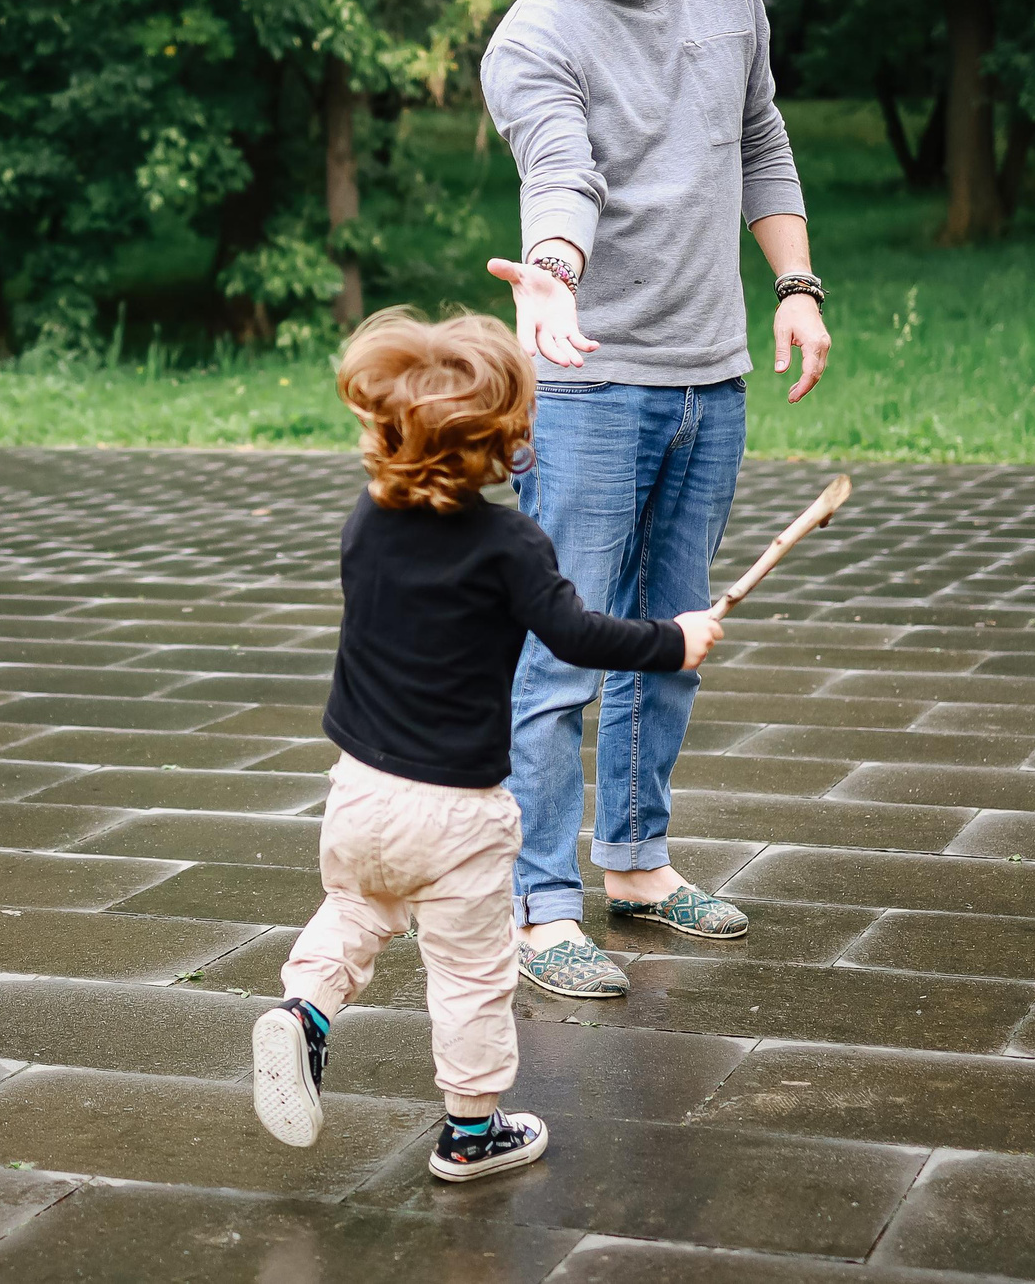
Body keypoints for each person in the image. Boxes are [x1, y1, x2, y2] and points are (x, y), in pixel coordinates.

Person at [480, 0, 833, 1000]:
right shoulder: (533, 38)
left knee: (672, 638)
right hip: (583, 385)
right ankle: (535, 908)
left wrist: (796, 287)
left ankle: (633, 865)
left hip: (708, 378)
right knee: (563, 652)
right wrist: (554, 273)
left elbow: (760, 140)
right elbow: (560, 169)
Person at [251, 309, 724, 1182]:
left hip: (357, 790)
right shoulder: (510, 544)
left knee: (355, 911)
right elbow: (577, 634)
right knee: (471, 973)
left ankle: (306, 1010)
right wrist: (673, 639)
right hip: (456, 812)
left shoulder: (367, 522)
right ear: (508, 440)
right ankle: (471, 1132)